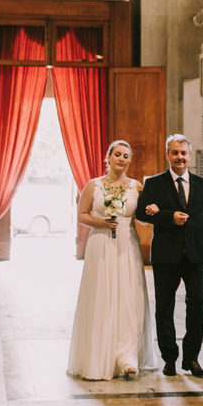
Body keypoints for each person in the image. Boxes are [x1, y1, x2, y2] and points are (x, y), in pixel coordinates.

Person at [66, 140, 156, 381]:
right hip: (101, 244)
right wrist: (102, 223)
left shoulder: (136, 187)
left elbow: (144, 218)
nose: (122, 159)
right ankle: (99, 355)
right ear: (107, 157)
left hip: (128, 244)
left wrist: (153, 211)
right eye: (117, 154)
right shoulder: (93, 186)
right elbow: (82, 215)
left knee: (129, 298)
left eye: (126, 156)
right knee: (102, 297)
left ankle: (128, 358)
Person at [136, 134, 203, 377]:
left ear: (189, 156)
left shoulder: (202, 185)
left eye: (183, 153)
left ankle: (191, 358)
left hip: (196, 255)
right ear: (167, 155)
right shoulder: (155, 183)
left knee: (196, 308)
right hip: (166, 255)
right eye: (174, 152)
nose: (179, 157)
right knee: (165, 307)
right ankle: (170, 358)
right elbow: (141, 213)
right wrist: (168, 216)